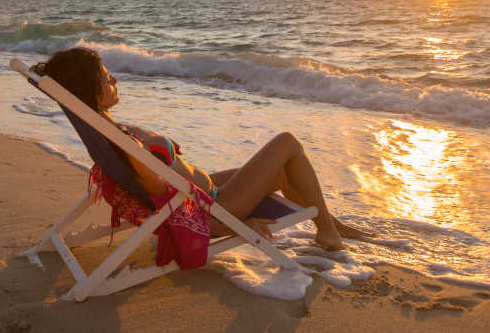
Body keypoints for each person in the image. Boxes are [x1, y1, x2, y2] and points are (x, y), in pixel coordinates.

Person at [32, 47, 369, 251]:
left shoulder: (109, 131)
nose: (115, 80)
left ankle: (329, 225)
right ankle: (329, 233)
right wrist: (232, 225)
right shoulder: (124, 146)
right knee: (288, 142)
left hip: (207, 193)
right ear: (90, 89)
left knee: (283, 169)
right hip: (215, 207)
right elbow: (168, 205)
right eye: (107, 79)